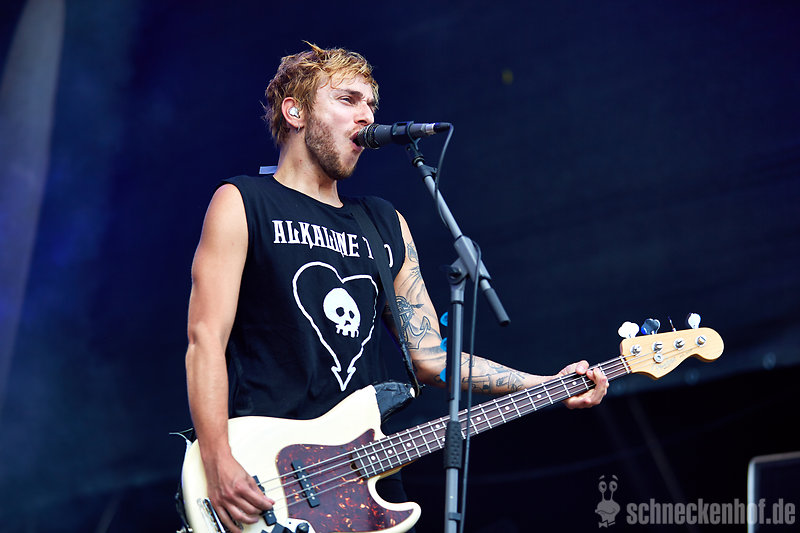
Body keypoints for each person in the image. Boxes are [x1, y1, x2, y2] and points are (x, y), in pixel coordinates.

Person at [184, 42, 608, 533]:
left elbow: (430, 357)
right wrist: (217, 459)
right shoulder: (242, 202)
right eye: (348, 99)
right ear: (295, 112)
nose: (366, 115)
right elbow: (205, 340)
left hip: (364, 489)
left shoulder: (384, 224)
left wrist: (546, 385)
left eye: (371, 104)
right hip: (265, 475)